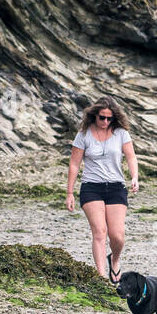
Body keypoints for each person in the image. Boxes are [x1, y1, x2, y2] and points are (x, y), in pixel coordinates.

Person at [67, 97, 139, 283]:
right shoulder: (83, 134)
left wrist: (134, 177)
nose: (106, 122)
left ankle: (114, 259)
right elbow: (74, 164)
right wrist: (69, 193)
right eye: (102, 118)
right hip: (91, 187)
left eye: (110, 119)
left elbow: (131, 157)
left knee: (117, 235)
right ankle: (101, 277)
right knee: (99, 232)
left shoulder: (121, 133)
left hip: (116, 186)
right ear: (94, 116)